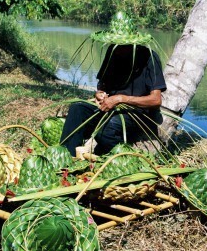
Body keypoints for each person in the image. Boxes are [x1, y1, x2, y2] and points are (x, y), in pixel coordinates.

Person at [59, 12, 166, 156]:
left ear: (133, 41)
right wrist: (100, 94)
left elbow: (155, 100)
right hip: (110, 109)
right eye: (116, 43)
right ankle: (66, 157)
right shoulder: (113, 52)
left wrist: (121, 98)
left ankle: (118, 159)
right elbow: (102, 85)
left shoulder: (149, 58)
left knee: (107, 127)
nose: (118, 48)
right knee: (77, 110)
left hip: (136, 114)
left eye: (123, 44)